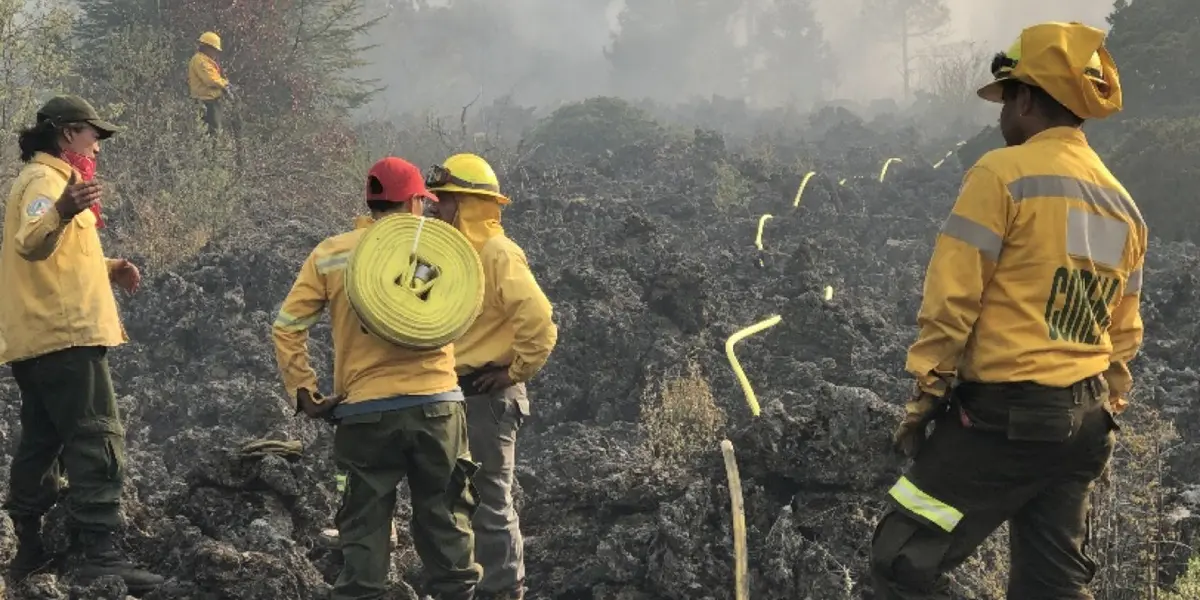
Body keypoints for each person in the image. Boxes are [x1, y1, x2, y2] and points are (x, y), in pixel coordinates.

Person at [870, 22, 1144, 600]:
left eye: (1005, 99)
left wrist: (928, 390)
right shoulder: (1124, 206)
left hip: (1007, 420)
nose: (1000, 117)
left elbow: (953, 298)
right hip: (1087, 425)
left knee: (901, 557)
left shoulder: (1002, 175)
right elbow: (1124, 330)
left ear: (1025, 98)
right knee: (1051, 586)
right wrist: (1107, 402)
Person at [272, 156, 481, 600]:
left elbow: (287, 325)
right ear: (411, 203)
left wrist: (305, 392)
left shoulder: (332, 253)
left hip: (365, 415)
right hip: (438, 409)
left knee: (364, 531)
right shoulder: (439, 249)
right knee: (447, 522)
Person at [0, 95, 163, 592]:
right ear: (68, 132)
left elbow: (60, 255)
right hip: (64, 338)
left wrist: (110, 268)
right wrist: (63, 210)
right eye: (94, 133)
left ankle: (27, 548)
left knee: (43, 443)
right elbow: (32, 241)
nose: (98, 143)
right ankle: (101, 555)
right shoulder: (44, 183)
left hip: (46, 339)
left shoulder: (54, 182)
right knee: (96, 436)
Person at [427, 153, 558, 600]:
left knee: (489, 503)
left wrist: (514, 371)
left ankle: (504, 591)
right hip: (451, 393)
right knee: (454, 502)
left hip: (487, 395)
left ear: (468, 203)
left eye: (444, 201)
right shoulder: (449, 255)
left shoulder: (498, 252)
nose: (436, 208)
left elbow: (538, 320)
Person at [188, 31, 233, 136]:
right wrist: (225, 84)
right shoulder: (201, 61)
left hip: (209, 101)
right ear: (207, 47)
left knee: (210, 132)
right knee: (213, 133)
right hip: (206, 103)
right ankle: (212, 152)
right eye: (214, 50)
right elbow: (211, 80)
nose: (216, 53)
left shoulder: (204, 60)